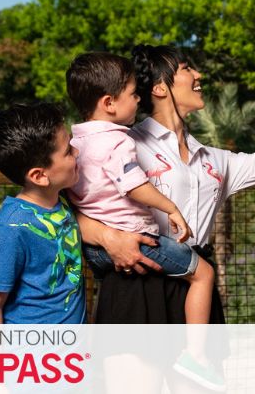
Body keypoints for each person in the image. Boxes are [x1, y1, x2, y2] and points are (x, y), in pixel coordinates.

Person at [77, 44, 255, 392]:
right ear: (159, 87)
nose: (199, 75)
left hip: (197, 280)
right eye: (186, 68)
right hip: (137, 283)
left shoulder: (214, 159)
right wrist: (108, 239)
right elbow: (69, 211)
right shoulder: (119, 142)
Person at [65, 52, 222, 389]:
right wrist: (168, 208)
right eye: (135, 93)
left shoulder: (77, 143)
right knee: (203, 274)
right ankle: (196, 356)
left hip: (117, 260)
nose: (140, 98)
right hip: (138, 269)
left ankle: (196, 358)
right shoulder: (120, 140)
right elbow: (131, 186)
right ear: (109, 102)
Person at [0, 102, 84, 324]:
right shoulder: (11, 229)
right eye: (68, 151)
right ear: (39, 176)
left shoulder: (61, 200)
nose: (77, 152)